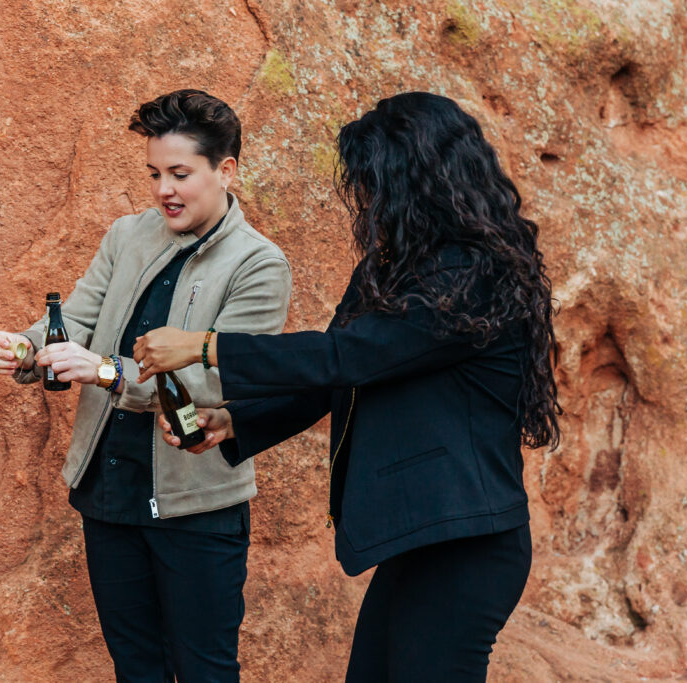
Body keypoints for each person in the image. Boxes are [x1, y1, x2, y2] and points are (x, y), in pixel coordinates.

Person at [133, 91, 562, 682]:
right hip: (424, 541)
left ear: (424, 180)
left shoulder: (474, 274)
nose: (369, 201)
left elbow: (350, 355)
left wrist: (206, 346)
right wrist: (238, 423)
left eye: (378, 183)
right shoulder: (391, 268)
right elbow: (329, 375)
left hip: (469, 544)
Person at [0, 89, 292, 682]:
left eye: (180, 173)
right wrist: (28, 347)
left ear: (225, 170)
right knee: (137, 669)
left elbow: (222, 379)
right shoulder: (128, 234)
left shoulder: (260, 264)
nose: (163, 191)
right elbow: (76, 318)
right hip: (110, 492)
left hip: (196, 505)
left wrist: (106, 371)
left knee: (205, 671)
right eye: (154, 173)